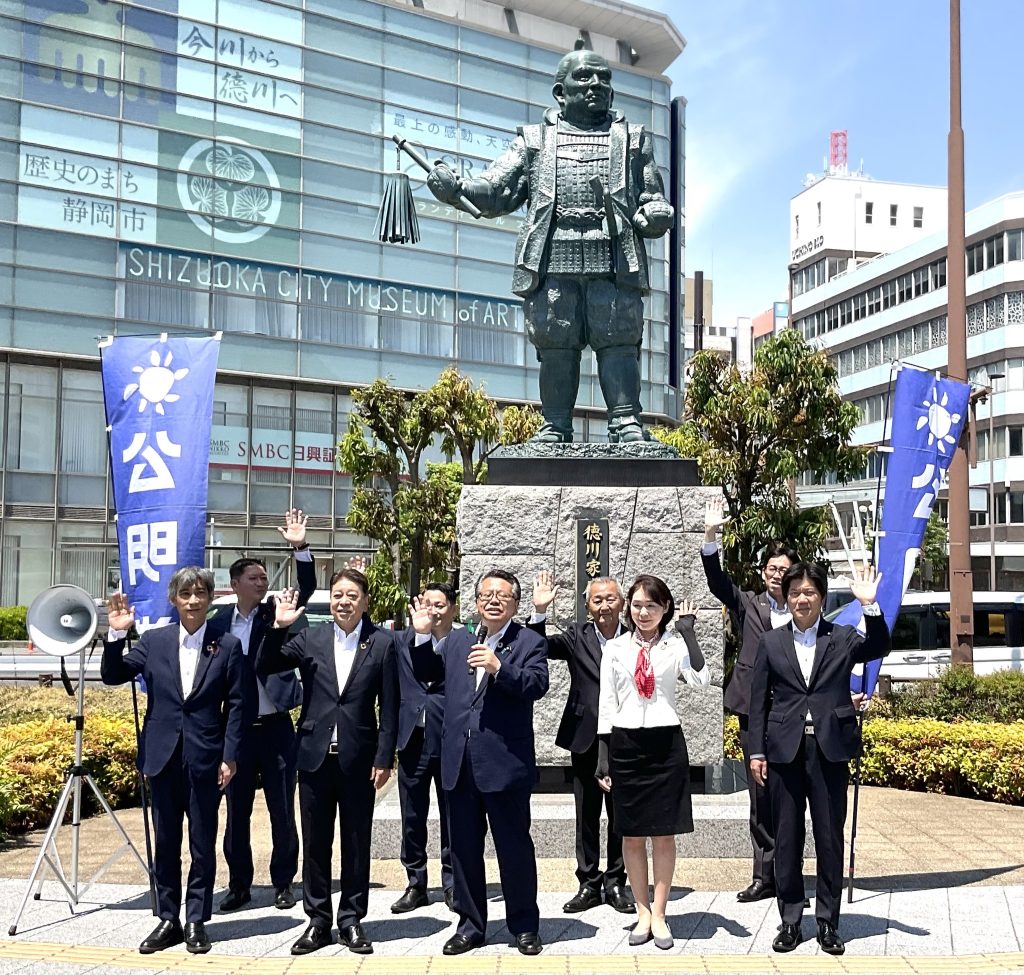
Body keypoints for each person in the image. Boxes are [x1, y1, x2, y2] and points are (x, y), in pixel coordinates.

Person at [426, 46, 673, 443]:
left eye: (604, 78)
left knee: (619, 339)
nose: (596, 84)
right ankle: (555, 424)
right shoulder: (534, 141)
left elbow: (651, 197)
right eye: (585, 77)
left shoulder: (631, 139)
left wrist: (658, 213)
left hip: (613, 256)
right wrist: (457, 189)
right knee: (556, 341)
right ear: (560, 92)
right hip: (552, 258)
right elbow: (496, 189)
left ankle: (626, 420)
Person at [101, 567, 248, 955]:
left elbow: (237, 706)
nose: (194, 600)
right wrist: (116, 635)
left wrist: (229, 756)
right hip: (162, 755)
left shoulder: (227, 645)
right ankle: (168, 918)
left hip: (206, 757)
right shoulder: (153, 641)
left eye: (201, 593)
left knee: (202, 843)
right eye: (186, 594)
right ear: (174, 599)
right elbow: (113, 675)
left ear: (210, 598)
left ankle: (196, 919)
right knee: (165, 842)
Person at [748, 563, 888, 956]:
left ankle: (828, 921)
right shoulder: (772, 642)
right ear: (786, 598)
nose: (802, 599)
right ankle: (790, 919)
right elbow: (758, 701)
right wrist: (757, 751)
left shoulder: (841, 637)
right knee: (787, 838)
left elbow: (878, 646)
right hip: (784, 752)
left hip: (828, 751)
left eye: (809, 593)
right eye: (795, 593)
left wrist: (869, 605)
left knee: (829, 837)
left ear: (821, 598)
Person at [260, 568, 398, 956]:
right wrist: (277, 626)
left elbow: (390, 706)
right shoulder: (311, 637)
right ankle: (318, 921)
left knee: (356, 842)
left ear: (365, 601)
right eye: (338, 594)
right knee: (316, 844)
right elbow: (265, 665)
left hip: (359, 760)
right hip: (314, 758)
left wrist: (385, 756)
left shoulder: (382, 643)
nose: (344, 602)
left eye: (352, 595)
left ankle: (351, 920)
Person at [436, 569, 548, 956]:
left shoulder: (529, 641)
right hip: (459, 763)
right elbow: (428, 682)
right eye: (486, 595)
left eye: (502, 595)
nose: (493, 601)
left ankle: (524, 925)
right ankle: (470, 925)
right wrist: (420, 635)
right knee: (464, 850)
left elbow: (536, 685)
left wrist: (500, 668)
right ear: (476, 601)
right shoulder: (458, 641)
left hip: (504, 765)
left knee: (514, 848)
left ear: (516, 603)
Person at [209, 508, 316, 913]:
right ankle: (238, 885)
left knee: (281, 808)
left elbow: (303, 589)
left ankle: (284, 881)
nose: (262, 582)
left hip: (275, 726)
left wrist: (300, 547)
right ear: (235, 583)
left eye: (264, 577)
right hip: (234, 730)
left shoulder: (276, 613)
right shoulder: (218, 623)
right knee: (235, 811)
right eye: (253, 578)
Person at [596, 575, 710, 951]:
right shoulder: (614, 648)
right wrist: (603, 756)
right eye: (638, 605)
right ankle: (641, 911)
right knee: (630, 833)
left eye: (652, 606)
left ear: (665, 610)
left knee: (663, 832)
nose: (643, 612)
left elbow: (701, 680)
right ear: (628, 606)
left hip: (666, 745)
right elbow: (607, 702)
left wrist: (689, 635)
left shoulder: (673, 645)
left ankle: (660, 915)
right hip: (626, 743)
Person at [702, 496, 796, 902]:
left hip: (793, 710)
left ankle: (789, 874)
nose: (777, 575)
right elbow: (717, 582)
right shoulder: (749, 604)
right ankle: (763, 876)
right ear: (764, 572)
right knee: (759, 794)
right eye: (772, 569)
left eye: (785, 570)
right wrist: (710, 537)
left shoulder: (803, 608)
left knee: (791, 796)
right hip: (753, 713)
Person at [528, 571, 635, 914]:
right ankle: (589, 883)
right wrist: (539, 613)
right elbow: (538, 648)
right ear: (587, 606)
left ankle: (617, 882)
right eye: (596, 600)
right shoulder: (577, 635)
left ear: (623, 603)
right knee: (586, 813)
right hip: (585, 736)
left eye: (610, 599)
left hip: (625, 735)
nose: (604, 606)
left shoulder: (637, 638)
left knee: (621, 812)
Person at [390, 584, 457, 915]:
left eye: (441, 604)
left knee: (452, 814)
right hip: (412, 741)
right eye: (427, 603)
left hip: (448, 741)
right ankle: (415, 883)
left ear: (453, 609)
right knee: (412, 816)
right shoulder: (400, 641)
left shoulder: (462, 643)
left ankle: (452, 882)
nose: (433, 610)